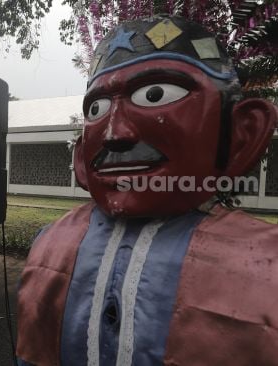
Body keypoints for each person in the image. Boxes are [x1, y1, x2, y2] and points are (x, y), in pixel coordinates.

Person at [16, 16, 278, 365]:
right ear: (80, 157)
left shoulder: (268, 267)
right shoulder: (50, 244)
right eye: (97, 108)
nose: (114, 134)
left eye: (155, 95)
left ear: (242, 133)